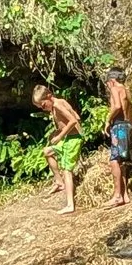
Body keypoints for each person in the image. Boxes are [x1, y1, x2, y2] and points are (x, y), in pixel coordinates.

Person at [33, 82, 83, 214]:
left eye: (43, 105)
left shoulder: (57, 104)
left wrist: (60, 135)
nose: (43, 108)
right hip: (68, 138)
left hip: (73, 139)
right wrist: (58, 132)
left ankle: (70, 205)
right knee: (47, 151)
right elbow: (76, 116)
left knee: (67, 170)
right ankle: (59, 182)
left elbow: (73, 120)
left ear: (49, 96)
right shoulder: (57, 104)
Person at [103, 69, 132, 206]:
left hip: (119, 126)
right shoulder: (126, 90)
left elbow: (117, 106)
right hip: (128, 126)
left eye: (107, 84)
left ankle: (117, 195)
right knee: (121, 161)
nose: (107, 87)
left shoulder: (115, 88)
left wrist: (108, 120)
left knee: (114, 160)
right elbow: (131, 111)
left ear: (111, 81)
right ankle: (125, 195)